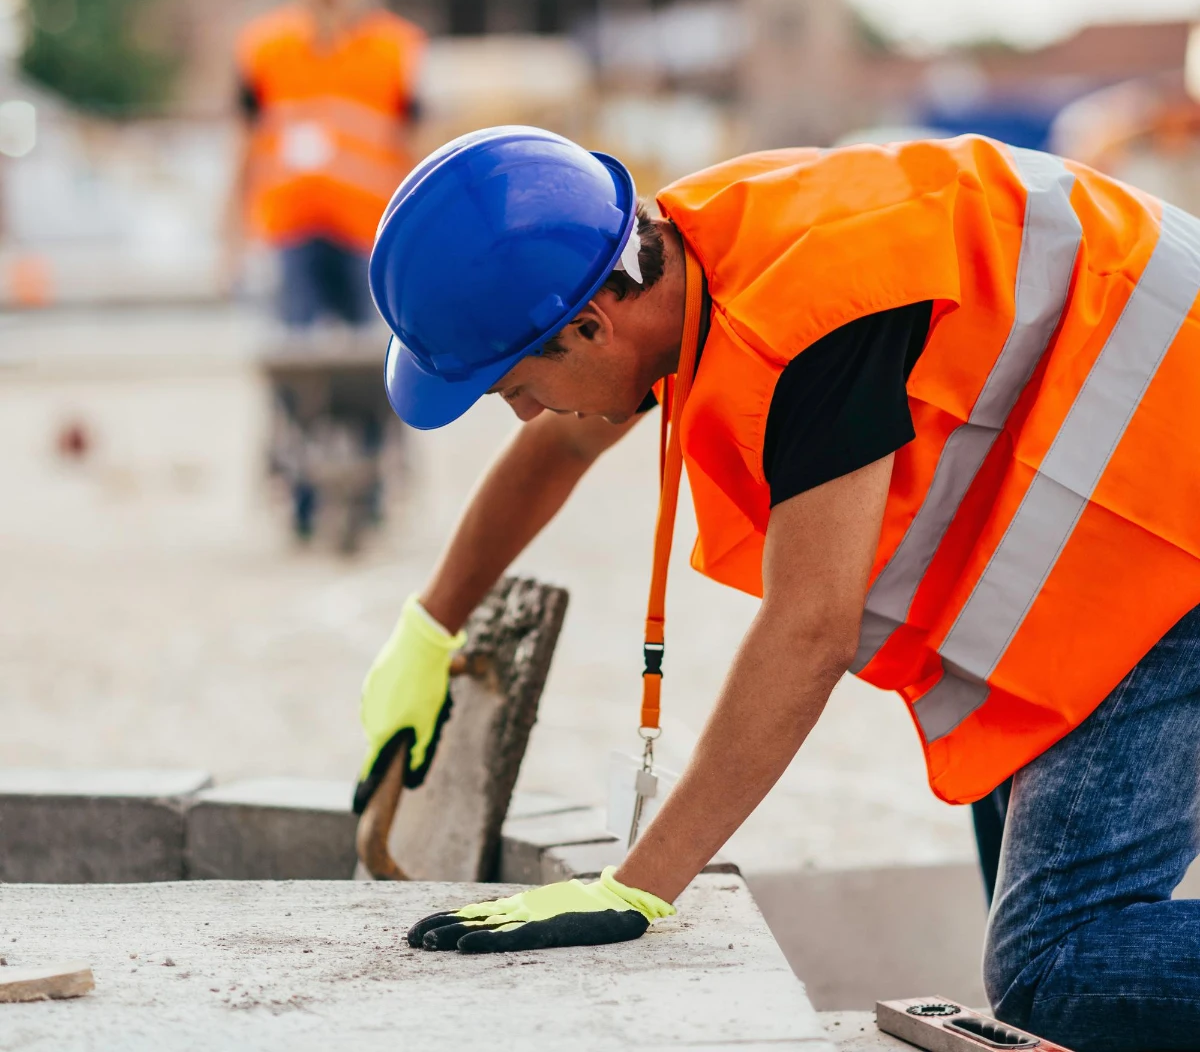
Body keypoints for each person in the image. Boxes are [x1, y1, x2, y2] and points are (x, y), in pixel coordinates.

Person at [357, 127, 1200, 1051]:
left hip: (1168, 523)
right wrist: (430, 628)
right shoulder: (683, 253)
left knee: (1059, 966)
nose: (523, 413)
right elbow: (562, 443)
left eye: (516, 386)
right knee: (1037, 919)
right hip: (1136, 493)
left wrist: (639, 885)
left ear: (590, 325)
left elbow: (810, 629)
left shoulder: (814, 318)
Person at [222, 0, 425, 537]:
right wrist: (227, 236)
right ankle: (302, 483)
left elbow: (419, 146)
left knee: (379, 361)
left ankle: (370, 477)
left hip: (372, 235)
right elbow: (242, 143)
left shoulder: (396, 49)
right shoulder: (265, 48)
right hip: (288, 231)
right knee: (296, 361)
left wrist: (424, 238)